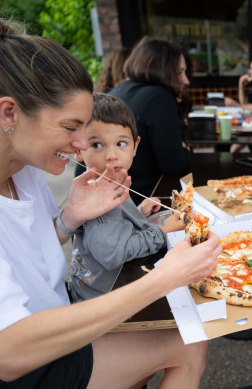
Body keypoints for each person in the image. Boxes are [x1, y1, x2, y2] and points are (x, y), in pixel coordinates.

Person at [0, 19, 221, 388]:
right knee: (190, 343)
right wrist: (165, 278)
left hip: (60, 322)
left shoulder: (25, 169)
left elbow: (24, 253)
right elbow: (9, 354)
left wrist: (69, 219)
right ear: (9, 113)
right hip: (29, 365)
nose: (84, 145)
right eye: (71, 128)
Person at [69, 93, 185, 302]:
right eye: (97, 145)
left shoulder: (112, 182)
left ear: (135, 146)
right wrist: (162, 232)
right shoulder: (96, 201)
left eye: (121, 143)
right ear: (78, 151)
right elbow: (113, 254)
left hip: (111, 284)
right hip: (101, 299)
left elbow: (115, 227)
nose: (111, 155)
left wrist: (139, 212)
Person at [109, 36, 192, 204]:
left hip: (108, 198)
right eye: (179, 72)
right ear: (162, 70)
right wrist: (186, 150)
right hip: (138, 204)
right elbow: (173, 164)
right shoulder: (159, 97)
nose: (186, 80)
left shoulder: (120, 88)